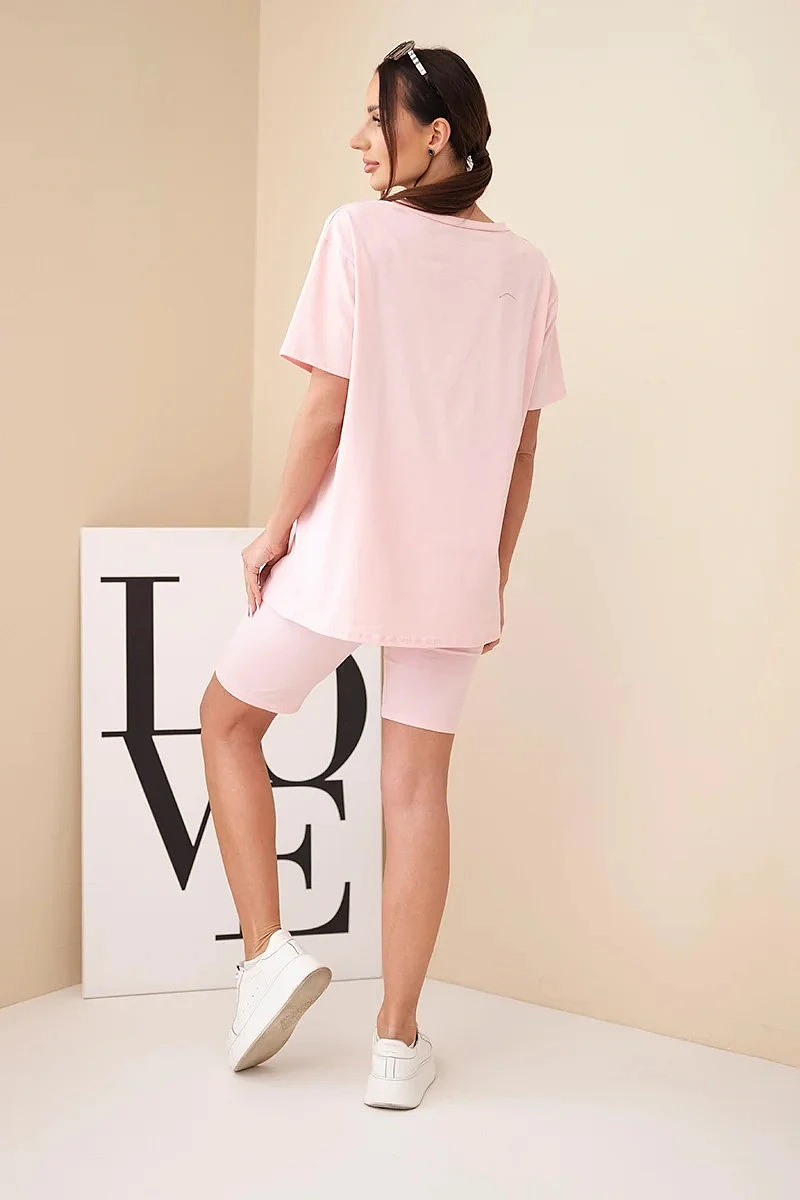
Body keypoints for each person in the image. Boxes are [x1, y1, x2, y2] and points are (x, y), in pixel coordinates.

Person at [199, 39, 566, 1110]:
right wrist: (492, 574)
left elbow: (325, 410)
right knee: (415, 793)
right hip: (452, 573)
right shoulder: (527, 269)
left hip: (345, 553)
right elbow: (523, 451)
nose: (359, 138)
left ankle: (266, 956)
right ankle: (397, 1045)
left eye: (376, 117)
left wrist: (275, 529)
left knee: (226, 723)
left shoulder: (356, 234)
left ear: (434, 131)